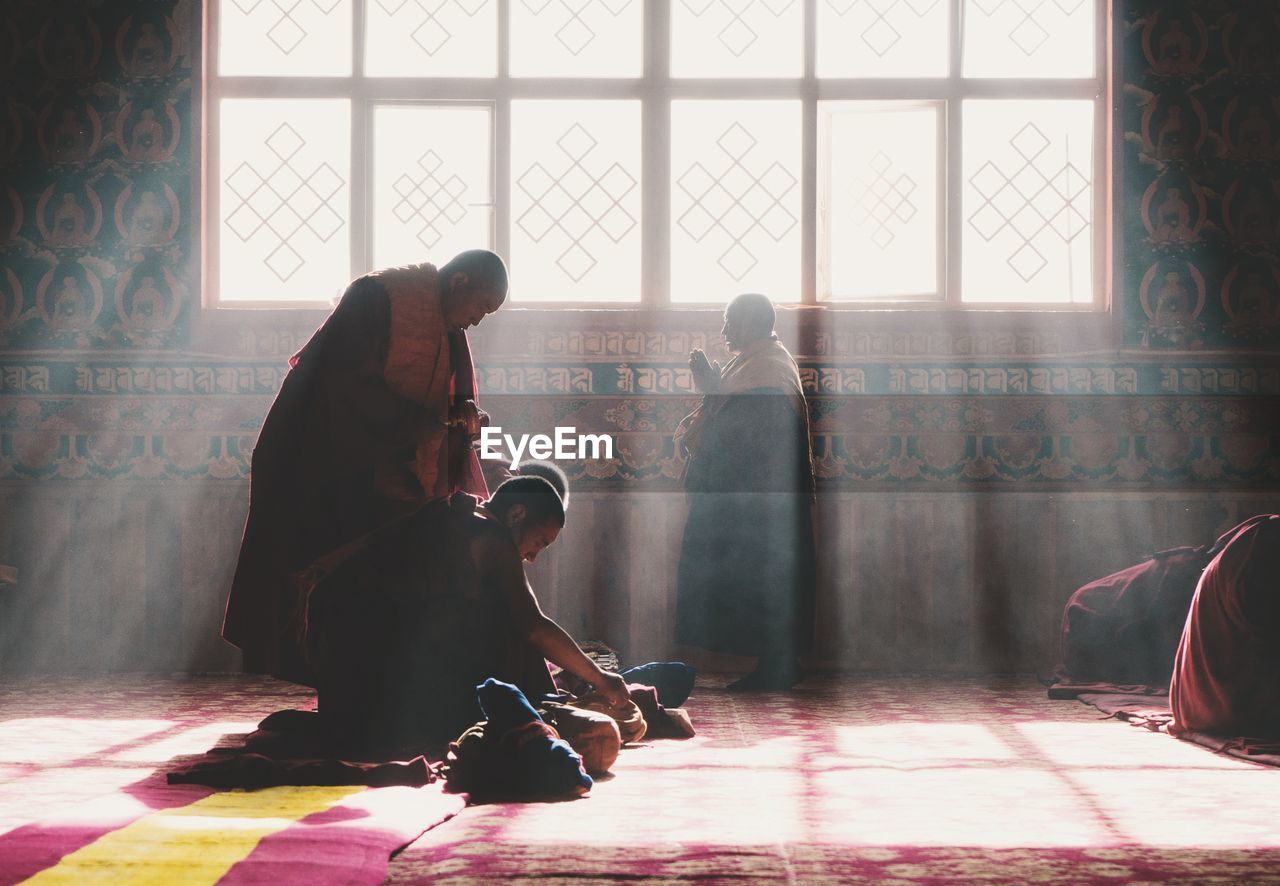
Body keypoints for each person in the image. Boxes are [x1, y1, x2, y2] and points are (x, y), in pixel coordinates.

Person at [223, 250, 507, 685]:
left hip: (388, 467)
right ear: (460, 282)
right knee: (333, 580)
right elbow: (343, 387)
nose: (477, 321)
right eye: (481, 307)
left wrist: (461, 412)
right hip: (328, 462)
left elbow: (449, 397)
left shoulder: (445, 320)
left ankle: (372, 689)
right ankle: (340, 687)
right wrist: (428, 422)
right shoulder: (378, 296)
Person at [305, 475, 632, 751]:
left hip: (346, 685)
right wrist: (602, 679)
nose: (532, 557)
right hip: (388, 681)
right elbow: (533, 627)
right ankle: (540, 707)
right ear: (516, 514)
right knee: (509, 622)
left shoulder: (448, 515)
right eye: (539, 542)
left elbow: (371, 546)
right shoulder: (492, 537)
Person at [674, 293, 817, 691]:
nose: (723, 332)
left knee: (762, 580)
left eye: (730, 323)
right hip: (752, 500)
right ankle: (773, 665)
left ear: (753, 324)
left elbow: (743, 436)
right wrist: (714, 389)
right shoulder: (753, 362)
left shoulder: (768, 369)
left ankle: (778, 666)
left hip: (760, 505)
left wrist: (713, 390)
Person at [1169, 514, 1280, 738]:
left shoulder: (1257, 539)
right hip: (1231, 705)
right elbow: (1266, 630)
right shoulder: (1264, 545)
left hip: (1200, 702)